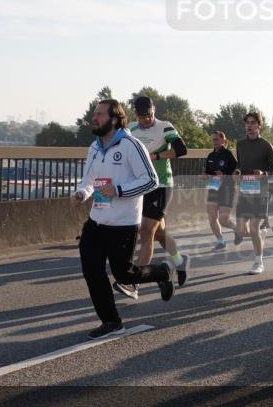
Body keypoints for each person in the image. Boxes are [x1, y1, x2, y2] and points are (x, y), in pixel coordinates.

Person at [72, 99, 175, 339]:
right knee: (92, 271)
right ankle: (111, 321)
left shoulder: (131, 145)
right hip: (96, 221)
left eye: (100, 114)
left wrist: (119, 190)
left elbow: (150, 180)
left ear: (115, 119)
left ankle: (162, 272)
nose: (94, 118)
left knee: (125, 274)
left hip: (122, 224)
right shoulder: (94, 148)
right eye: (95, 114)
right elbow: (89, 180)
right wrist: (81, 193)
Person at [121, 96, 190, 300]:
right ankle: (180, 261)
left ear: (154, 110)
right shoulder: (130, 129)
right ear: (137, 115)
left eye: (150, 115)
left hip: (161, 185)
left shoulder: (164, 126)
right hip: (140, 186)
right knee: (159, 233)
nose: (148, 119)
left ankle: (134, 283)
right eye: (143, 116)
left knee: (146, 231)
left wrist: (157, 156)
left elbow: (181, 149)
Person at [235, 110, 273, 275]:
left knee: (253, 228)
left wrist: (263, 173)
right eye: (247, 123)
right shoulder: (240, 144)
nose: (250, 126)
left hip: (261, 191)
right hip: (245, 190)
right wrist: (237, 171)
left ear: (259, 126)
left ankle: (258, 262)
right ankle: (261, 233)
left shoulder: (266, 145)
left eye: (253, 123)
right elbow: (240, 165)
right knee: (241, 231)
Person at [204, 130, 239, 249]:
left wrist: (225, 175)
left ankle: (236, 228)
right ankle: (220, 241)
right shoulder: (210, 155)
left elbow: (237, 172)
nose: (214, 142)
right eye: (213, 139)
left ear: (224, 141)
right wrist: (205, 176)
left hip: (227, 189)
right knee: (212, 217)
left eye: (216, 139)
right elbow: (208, 172)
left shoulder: (228, 154)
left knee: (223, 220)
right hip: (213, 188)